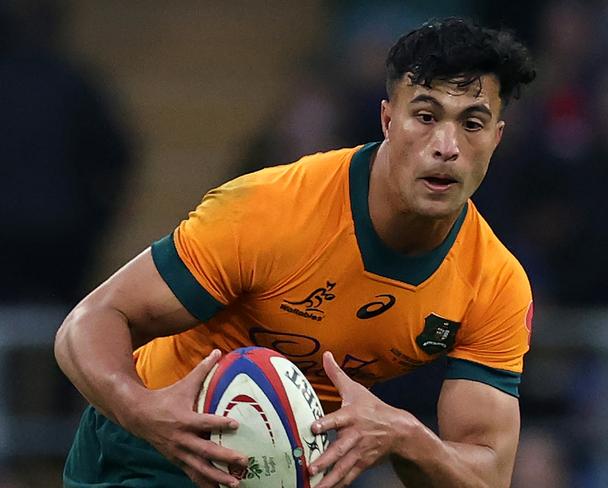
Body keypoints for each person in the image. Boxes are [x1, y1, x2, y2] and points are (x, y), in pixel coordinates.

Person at [55, 17, 536, 488]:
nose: (446, 146)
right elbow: (91, 320)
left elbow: (487, 475)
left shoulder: (494, 285)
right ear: (388, 120)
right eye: (426, 116)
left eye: (472, 123)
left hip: (293, 473)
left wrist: (403, 435)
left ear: (497, 138)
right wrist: (143, 412)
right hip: (149, 453)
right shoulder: (270, 210)